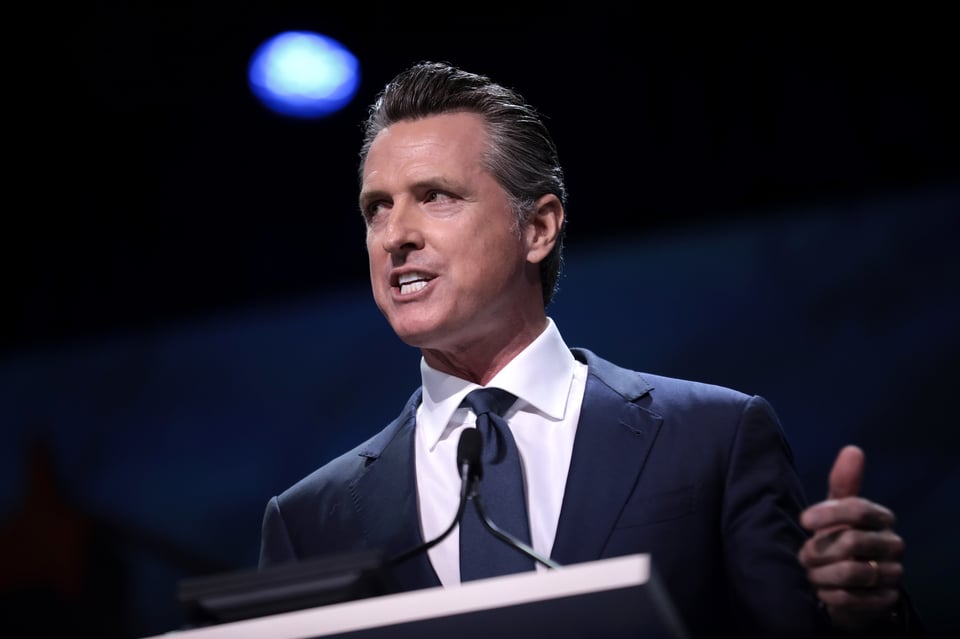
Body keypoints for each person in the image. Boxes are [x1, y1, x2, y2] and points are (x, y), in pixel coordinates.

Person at [259, 61, 921, 637]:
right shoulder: (310, 519)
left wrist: (863, 617)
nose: (394, 234)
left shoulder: (711, 439)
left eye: (434, 196)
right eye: (376, 208)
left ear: (539, 227)